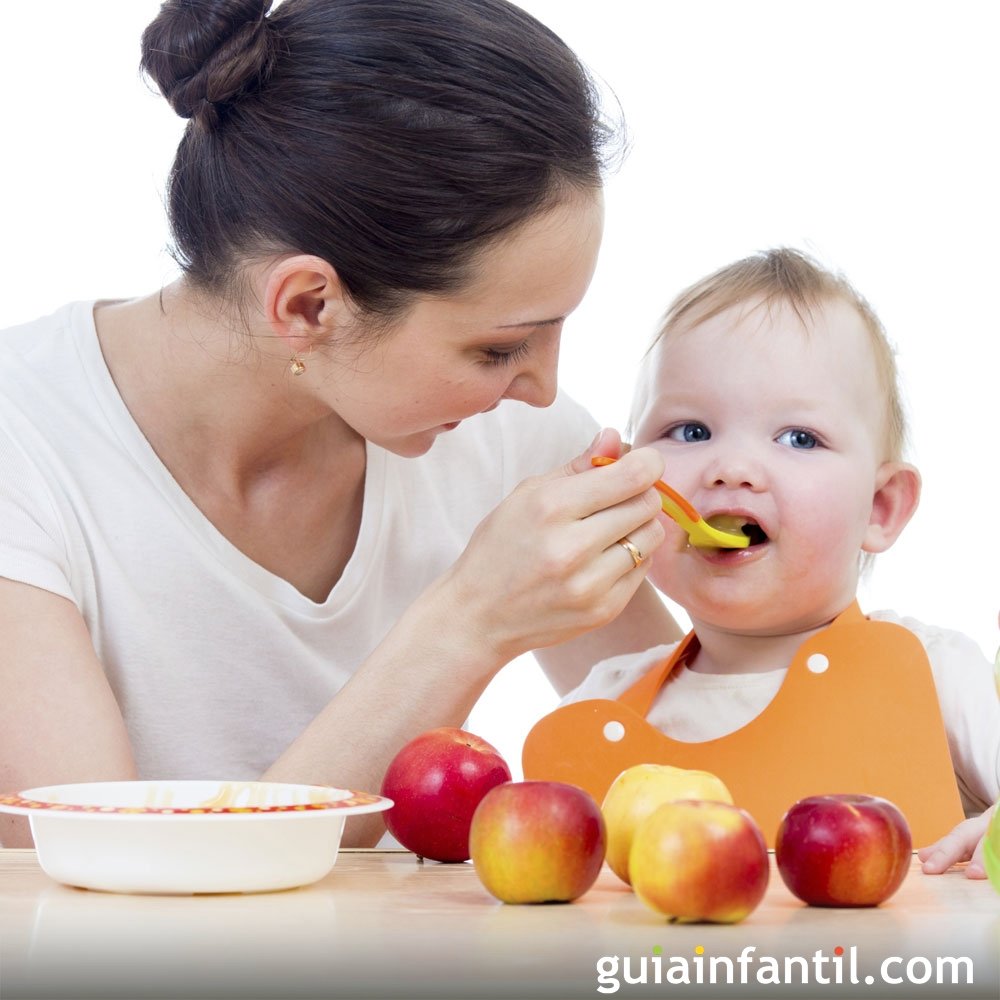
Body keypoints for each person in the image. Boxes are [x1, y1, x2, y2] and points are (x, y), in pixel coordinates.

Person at [0, 0, 682, 848]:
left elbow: (700, 777)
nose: (543, 392)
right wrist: (468, 622)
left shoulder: (509, 442)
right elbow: (102, 892)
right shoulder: (22, 444)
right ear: (309, 304)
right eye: (500, 348)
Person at [552, 247, 999, 877]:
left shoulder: (937, 675)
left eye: (798, 438)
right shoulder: (603, 705)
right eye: (690, 431)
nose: (732, 468)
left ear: (879, 507)